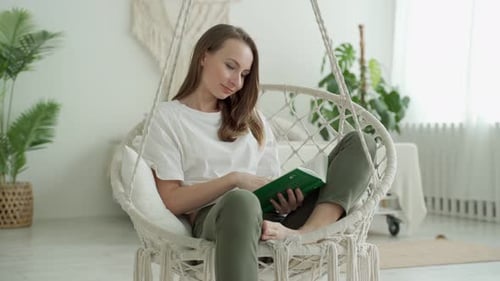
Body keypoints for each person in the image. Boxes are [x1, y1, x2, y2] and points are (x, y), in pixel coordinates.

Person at [138, 23, 376, 281]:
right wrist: (234, 180)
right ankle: (296, 231)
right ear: (203, 56)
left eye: (244, 74)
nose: (236, 81)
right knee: (242, 200)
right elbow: (172, 200)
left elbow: (268, 181)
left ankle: (310, 232)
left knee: (361, 143)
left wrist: (287, 200)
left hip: (275, 222)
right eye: (230, 66)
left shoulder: (253, 120)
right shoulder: (168, 118)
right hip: (219, 218)